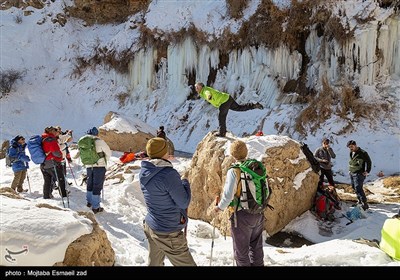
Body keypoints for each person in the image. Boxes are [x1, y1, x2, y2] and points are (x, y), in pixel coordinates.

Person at [139, 137, 196, 266]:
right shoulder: (168, 174)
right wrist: (185, 183)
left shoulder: (145, 171)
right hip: (168, 231)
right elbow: (183, 202)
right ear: (163, 152)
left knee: (155, 263)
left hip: (151, 225)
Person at [214, 140, 264, 266]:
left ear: (233, 154)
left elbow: (228, 196)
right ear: (246, 152)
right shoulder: (256, 168)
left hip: (242, 216)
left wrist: (219, 208)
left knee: (241, 254)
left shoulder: (235, 171)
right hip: (259, 213)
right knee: (256, 249)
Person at [195, 82, 263, 137]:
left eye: (197, 86)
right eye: (195, 87)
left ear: (201, 86)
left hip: (223, 101)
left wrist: (209, 96)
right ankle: (254, 105)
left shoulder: (205, 90)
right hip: (227, 98)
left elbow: (208, 93)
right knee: (239, 108)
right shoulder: (203, 91)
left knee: (221, 116)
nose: (196, 88)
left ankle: (222, 133)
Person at [83, 127, 111, 214]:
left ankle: (89, 202)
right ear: (96, 134)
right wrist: (104, 160)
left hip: (89, 165)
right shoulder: (99, 141)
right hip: (99, 166)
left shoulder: (84, 143)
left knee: (90, 183)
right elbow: (108, 153)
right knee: (97, 185)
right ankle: (96, 207)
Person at [40, 126, 68, 199]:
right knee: (60, 179)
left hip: (44, 163)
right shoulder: (51, 139)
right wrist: (60, 156)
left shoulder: (43, 138)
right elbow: (56, 152)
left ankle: (46, 196)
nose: (56, 132)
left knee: (47, 181)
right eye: (54, 131)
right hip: (53, 162)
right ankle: (64, 195)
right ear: (51, 131)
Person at [347, 140, 372, 210]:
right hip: (352, 173)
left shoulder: (363, 153)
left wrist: (367, 171)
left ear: (355, 145)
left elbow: (369, 162)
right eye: (349, 147)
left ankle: (365, 204)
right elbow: (352, 161)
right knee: (354, 187)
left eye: (351, 146)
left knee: (358, 188)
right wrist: (350, 170)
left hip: (359, 173)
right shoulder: (351, 152)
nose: (350, 148)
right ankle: (360, 201)